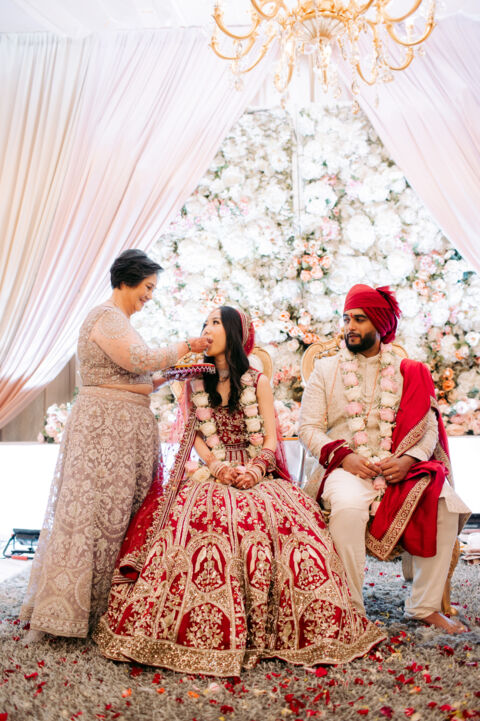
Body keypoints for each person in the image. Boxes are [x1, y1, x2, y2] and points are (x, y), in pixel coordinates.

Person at [92, 305, 385, 675]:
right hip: (212, 473)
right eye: (204, 322)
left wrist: (256, 470)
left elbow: (270, 437)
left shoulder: (256, 381)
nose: (207, 328)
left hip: (255, 471)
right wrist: (217, 467)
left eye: (215, 323)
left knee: (288, 534)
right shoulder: (195, 381)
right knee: (202, 526)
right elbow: (194, 435)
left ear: (234, 332)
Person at [20, 249, 209, 639]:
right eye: (148, 287)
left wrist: (166, 378)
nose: (150, 296)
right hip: (103, 430)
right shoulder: (105, 317)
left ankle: (106, 607)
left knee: (122, 516)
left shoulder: (122, 322)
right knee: (89, 514)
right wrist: (186, 346)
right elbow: (138, 359)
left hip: (125, 430)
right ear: (128, 279)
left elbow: (134, 377)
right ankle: (62, 612)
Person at [299, 284, 471, 634]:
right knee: (348, 508)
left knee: (445, 503)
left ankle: (424, 606)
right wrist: (344, 456)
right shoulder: (326, 370)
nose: (350, 327)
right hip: (346, 467)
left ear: (380, 324)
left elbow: (428, 428)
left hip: (398, 467)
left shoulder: (410, 371)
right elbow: (308, 428)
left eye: (359, 319)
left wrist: (408, 460)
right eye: (346, 318)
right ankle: (351, 609)